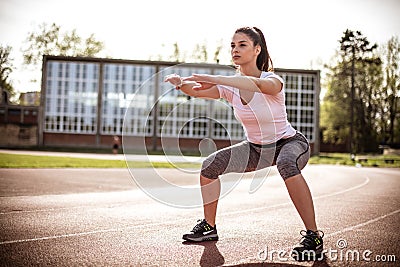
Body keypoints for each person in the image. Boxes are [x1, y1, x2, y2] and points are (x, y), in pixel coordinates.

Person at [164, 26, 323, 261]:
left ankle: (313, 236)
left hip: (289, 143)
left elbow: (257, 86)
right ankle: (209, 226)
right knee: (210, 166)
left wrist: (216, 77)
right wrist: (179, 84)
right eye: (232, 45)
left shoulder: (272, 80)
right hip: (257, 149)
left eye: (242, 45)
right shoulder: (230, 87)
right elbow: (196, 91)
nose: (235, 50)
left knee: (287, 164)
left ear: (257, 50)